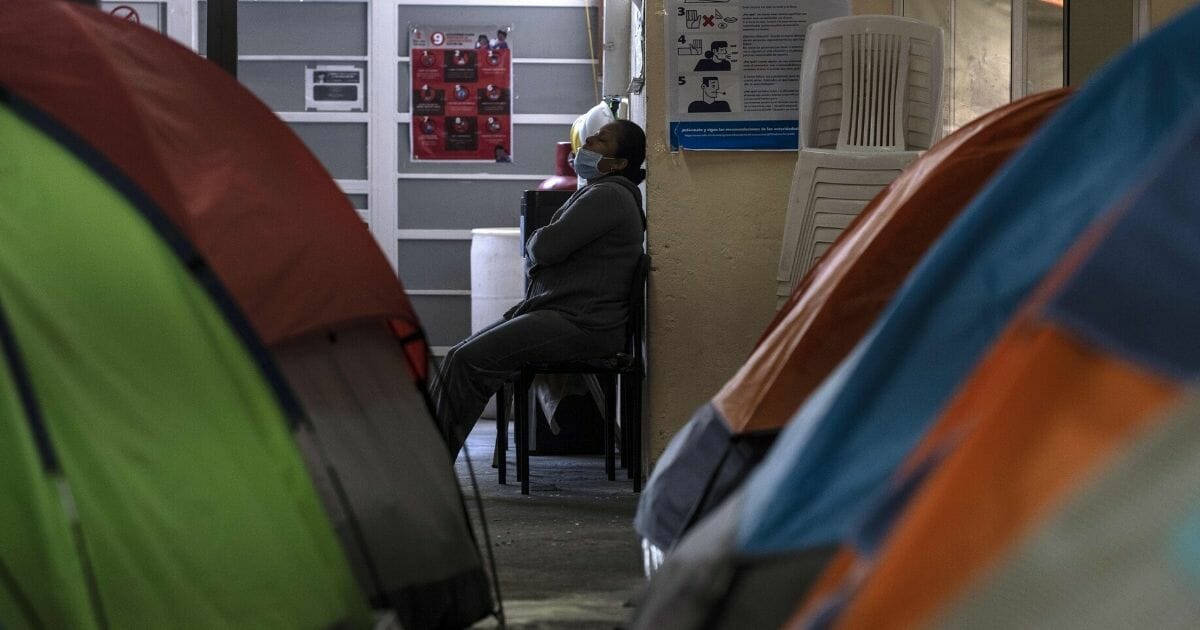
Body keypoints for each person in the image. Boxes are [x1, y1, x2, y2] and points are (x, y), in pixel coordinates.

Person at [432, 119, 647, 456]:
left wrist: (536, 239)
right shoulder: (603, 193)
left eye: (602, 140)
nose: (589, 139)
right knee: (461, 355)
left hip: (581, 324)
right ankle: (427, 456)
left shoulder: (607, 195)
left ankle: (431, 465)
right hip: (568, 316)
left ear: (619, 164)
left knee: (469, 362)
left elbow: (544, 247)